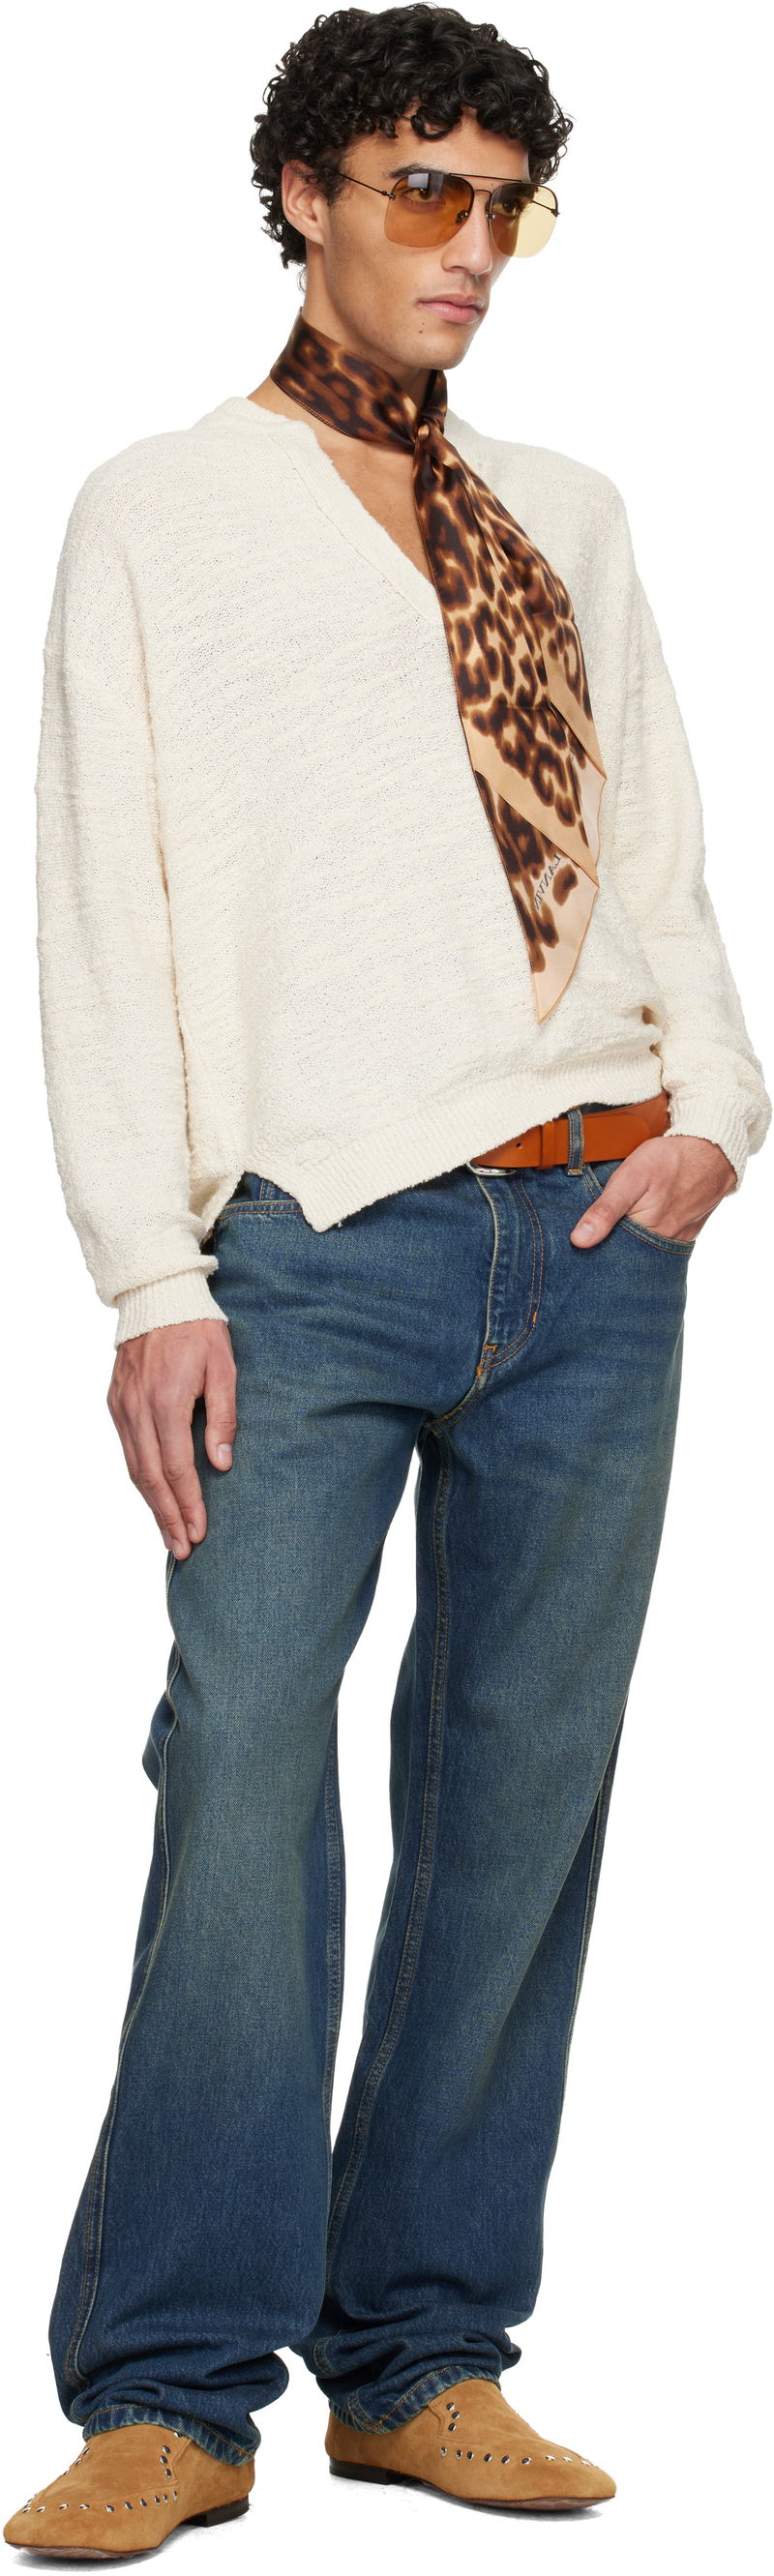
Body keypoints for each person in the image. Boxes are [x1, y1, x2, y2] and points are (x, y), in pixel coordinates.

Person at [6, 1, 770, 2551]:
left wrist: (715, 1110)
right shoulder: (158, 512)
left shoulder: (571, 505)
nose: (473, 246)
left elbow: (655, 843)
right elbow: (100, 904)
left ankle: (425, 2352)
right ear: (307, 196)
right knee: (241, 1764)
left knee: (519, 1794)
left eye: (507, 205)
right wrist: (147, 1274)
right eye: (426, 190)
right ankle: (170, 2386)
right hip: (308, 1251)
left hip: (597, 1228)